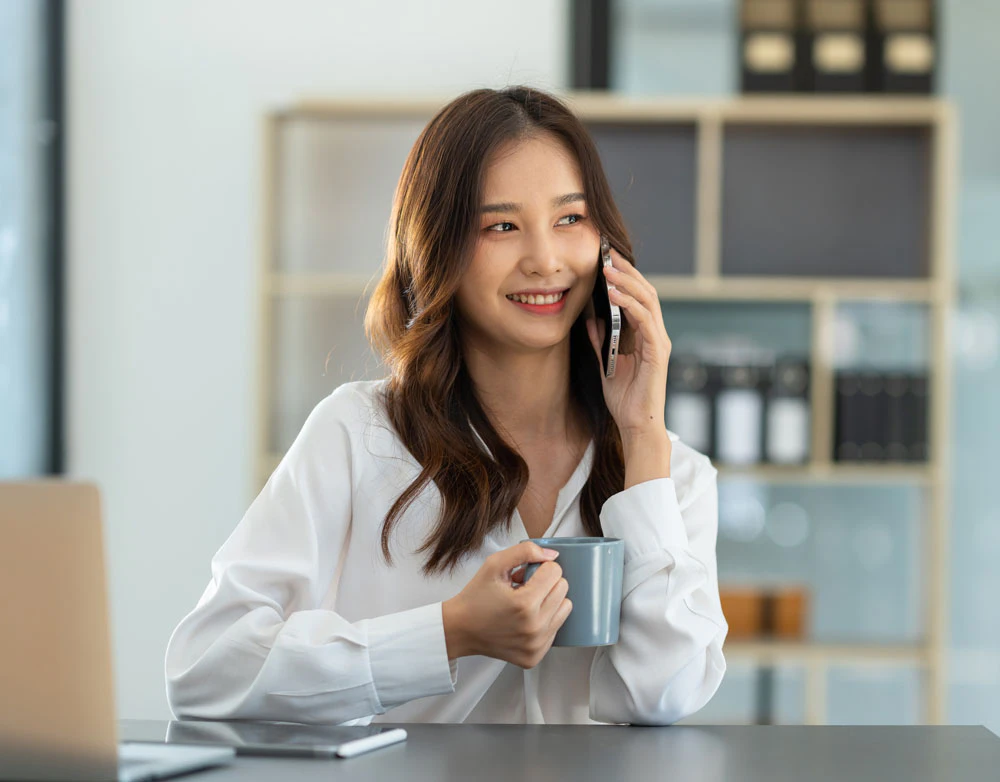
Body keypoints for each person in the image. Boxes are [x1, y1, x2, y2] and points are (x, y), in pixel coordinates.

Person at [165, 85, 728, 726]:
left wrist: (643, 431)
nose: (545, 260)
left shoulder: (672, 474)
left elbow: (665, 696)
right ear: (438, 250)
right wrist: (448, 632)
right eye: (502, 226)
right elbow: (205, 670)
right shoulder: (358, 436)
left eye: (569, 219)